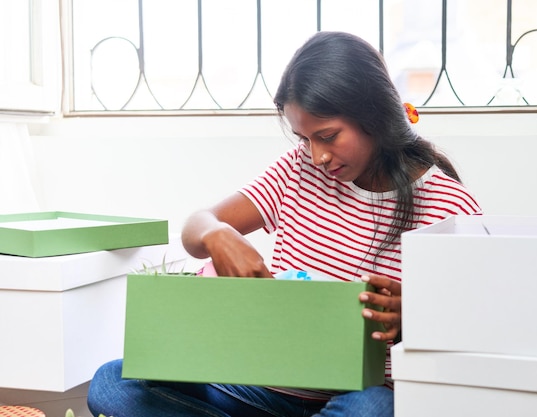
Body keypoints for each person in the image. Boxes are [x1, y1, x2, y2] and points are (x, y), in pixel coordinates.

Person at [87, 31, 482, 417]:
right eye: (304, 138)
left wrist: (411, 316)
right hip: (262, 388)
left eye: (328, 136)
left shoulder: (448, 205)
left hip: (359, 395)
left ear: (374, 114)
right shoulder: (297, 171)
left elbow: (474, 326)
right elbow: (197, 225)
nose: (317, 156)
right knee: (113, 381)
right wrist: (217, 233)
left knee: (373, 405)